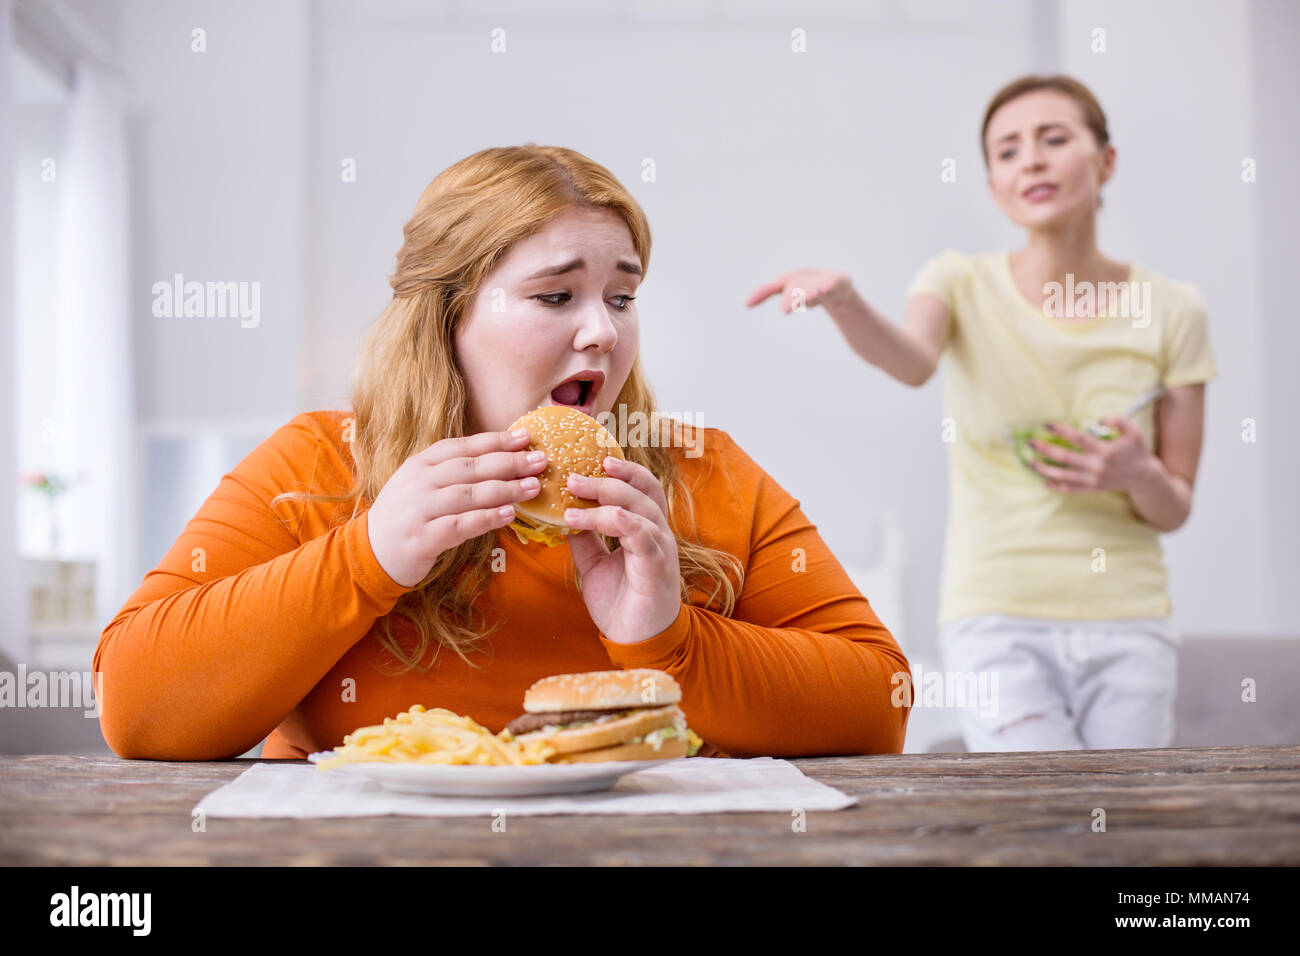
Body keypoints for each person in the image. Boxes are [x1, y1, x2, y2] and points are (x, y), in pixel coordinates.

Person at [94, 145, 912, 761]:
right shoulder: (319, 463)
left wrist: (669, 641)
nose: (603, 331)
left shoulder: (701, 471)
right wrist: (365, 557)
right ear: (445, 318)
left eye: (622, 297)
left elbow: (882, 705)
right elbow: (136, 709)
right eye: (555, 296)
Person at [746, 75, 1216, 752]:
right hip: (995, 616)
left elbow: (1175, 505)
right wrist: (844, 302)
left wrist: (1136, 472)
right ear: (996, 184)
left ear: (1105, 161)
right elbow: (911, 360)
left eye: (1054, 140)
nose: (1031, 160)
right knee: (1036, 820)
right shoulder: (958, 281)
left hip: (1130, 620)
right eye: (1008, 151)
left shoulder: (1175, 309)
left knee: (1127, 832)